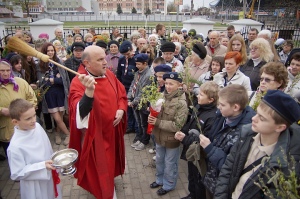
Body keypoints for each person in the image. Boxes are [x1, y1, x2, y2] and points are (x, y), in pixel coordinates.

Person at [214, 90, 300, 199]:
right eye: (257, 113)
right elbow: (228, 169)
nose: (253, 118)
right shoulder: (246, 135)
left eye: (262, 118)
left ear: (279, 127)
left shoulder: (286, 165)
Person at [68, 45, 127, 199]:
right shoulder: (79, 81)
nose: (105, 62)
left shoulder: (108, 74)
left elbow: (121, 93)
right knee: (101, 170)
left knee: (110, 165)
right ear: (87, 63)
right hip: (97, 138)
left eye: (104, 57)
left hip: (112, 132)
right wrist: (88, 92)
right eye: (100, 59)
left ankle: (108, 182)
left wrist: (121, 108)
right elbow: (78, 112)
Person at [199, 84, 255, 198]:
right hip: (211, 178)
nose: (218, 107)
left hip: (222, 187)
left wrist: (209, 148)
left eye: (222, 105)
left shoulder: (242, 133)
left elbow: (230, 166)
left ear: (235, 107)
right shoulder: (222, 116)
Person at [7, 99, 61, 199]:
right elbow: (16, 173)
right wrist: (42, 166)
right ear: (15, 122)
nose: (34, 120)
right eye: (28, 118)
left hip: (49, 175)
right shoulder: (15, 146)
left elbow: (47, 146)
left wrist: (55, 161)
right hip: (34, 185)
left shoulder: (37, 127)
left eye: (34, 115)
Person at [175, 81, 219, 199]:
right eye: (198, 93)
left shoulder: (212, 116)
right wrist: (183, 132)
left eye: (201, 95)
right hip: (191, 151)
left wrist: (185, 139)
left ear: (210, 100)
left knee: (199, 180)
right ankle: (192, 194)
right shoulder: (199, 106)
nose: (198, 96)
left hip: (200, 156)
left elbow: (204, 139)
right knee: (191, 176)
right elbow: (190, 122)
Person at [148, 72, 188, 196]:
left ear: (179, 85)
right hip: (159, 137)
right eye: (166, 83)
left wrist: (157, 122)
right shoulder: (161, 96)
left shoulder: (182, 103)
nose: (168, 86)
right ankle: (160, 180)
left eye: (171, 84)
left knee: (170, 163)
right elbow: (156, 111)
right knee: (159, 160)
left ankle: (169, 184)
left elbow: (178, 125)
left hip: (171, 139)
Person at [0, 60, 37, 162]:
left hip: (26, 126)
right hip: (7, 129)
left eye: (8, 70)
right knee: (15, 156)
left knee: (30, 151)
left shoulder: (20, 82)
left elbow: (32, 97)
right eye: (2, 71)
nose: (5, 73)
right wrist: (1, 111)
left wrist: (27, 110)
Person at [39, 43, 70, 145]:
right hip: (49, 94)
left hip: (60, 93)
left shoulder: (59, 62)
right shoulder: (40, 65)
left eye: (52, 50)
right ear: (44, 52)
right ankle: (68, 134)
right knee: (56, 117)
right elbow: (42, 82)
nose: (50, 52)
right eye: (48, 51)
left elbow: (64, 80)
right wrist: (54, 79)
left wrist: (53, 80)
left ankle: (57, 133)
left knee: (60, 117)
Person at [128, 54, 152, 150]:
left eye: (138, 64)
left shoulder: (148, 75)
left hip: (142, 103)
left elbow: (144, 92)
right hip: (134, 102)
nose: (136, 66)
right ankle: (140, 137)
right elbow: (132, 85)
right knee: (138, 122)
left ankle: (144, 141)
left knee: (143, 123)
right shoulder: (138, 73)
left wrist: (134, 102)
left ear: (145, 63)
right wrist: (129, 98)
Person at [117, 41, 138, 134]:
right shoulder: (121, 60)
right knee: (126, 107)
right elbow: (119, 74)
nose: (126, 56)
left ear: (131, 50)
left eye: (127, 54)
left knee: (133, 107)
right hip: (124, 87)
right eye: (124, 54)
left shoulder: (136, 59)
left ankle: (135, 126)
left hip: (133, 87)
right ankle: (129, 125)